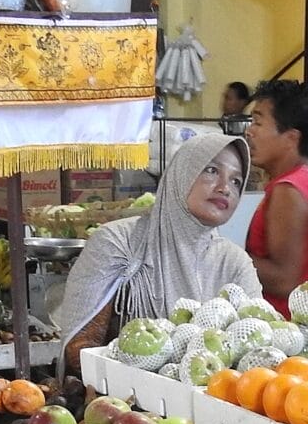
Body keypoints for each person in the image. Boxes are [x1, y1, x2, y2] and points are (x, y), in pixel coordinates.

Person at [56, 132, 262, 357]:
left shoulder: (234, 263)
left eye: (236, 181)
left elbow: (256, 346)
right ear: (182, 173)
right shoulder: (119, 244)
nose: (225, 188)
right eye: (211, 170)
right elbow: (81, 351)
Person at [245, 79, 308, 311]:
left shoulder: (288, 191)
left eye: (258, 122)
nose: (249, 131)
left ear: (291, 138)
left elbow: (285, 281)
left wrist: (224, 254)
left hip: (278, 330)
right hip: (302, 327)